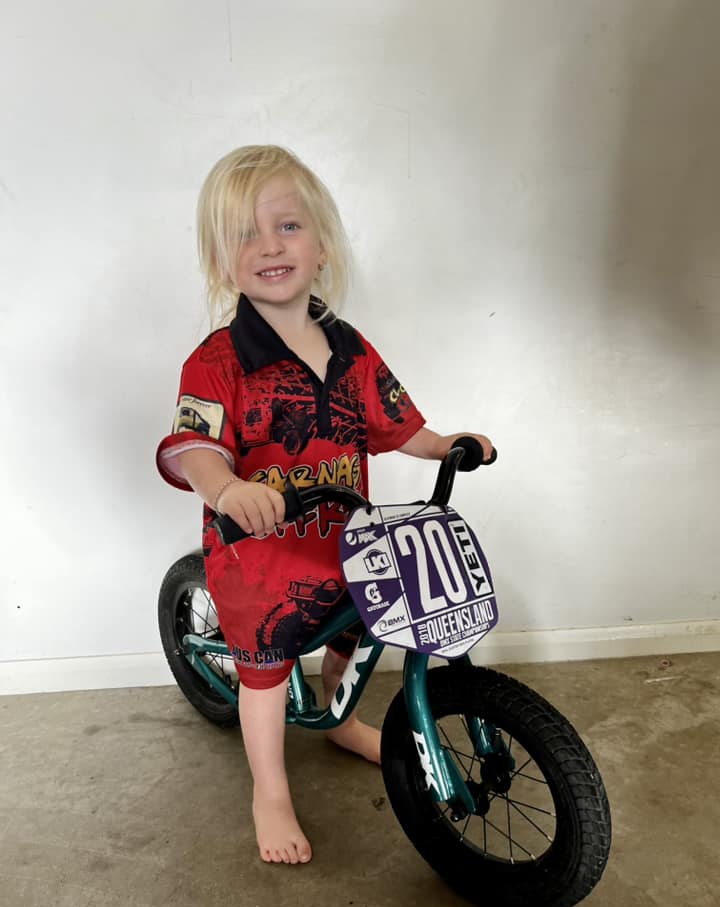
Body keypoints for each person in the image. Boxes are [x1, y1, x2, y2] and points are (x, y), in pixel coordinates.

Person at [156, 145, 493, 866]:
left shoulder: (350, 345)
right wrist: (228, 488)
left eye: (287, 227)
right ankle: (270, 789)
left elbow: (394, 422)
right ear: (220, 263)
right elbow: (194, 446)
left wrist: (444, 445)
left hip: (346, 538)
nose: (269, 246)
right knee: (268, 667)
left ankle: (341, 720)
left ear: (322, 247)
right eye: (244, 234)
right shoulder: (217, 362)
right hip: (262, 557)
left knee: (362, 630)